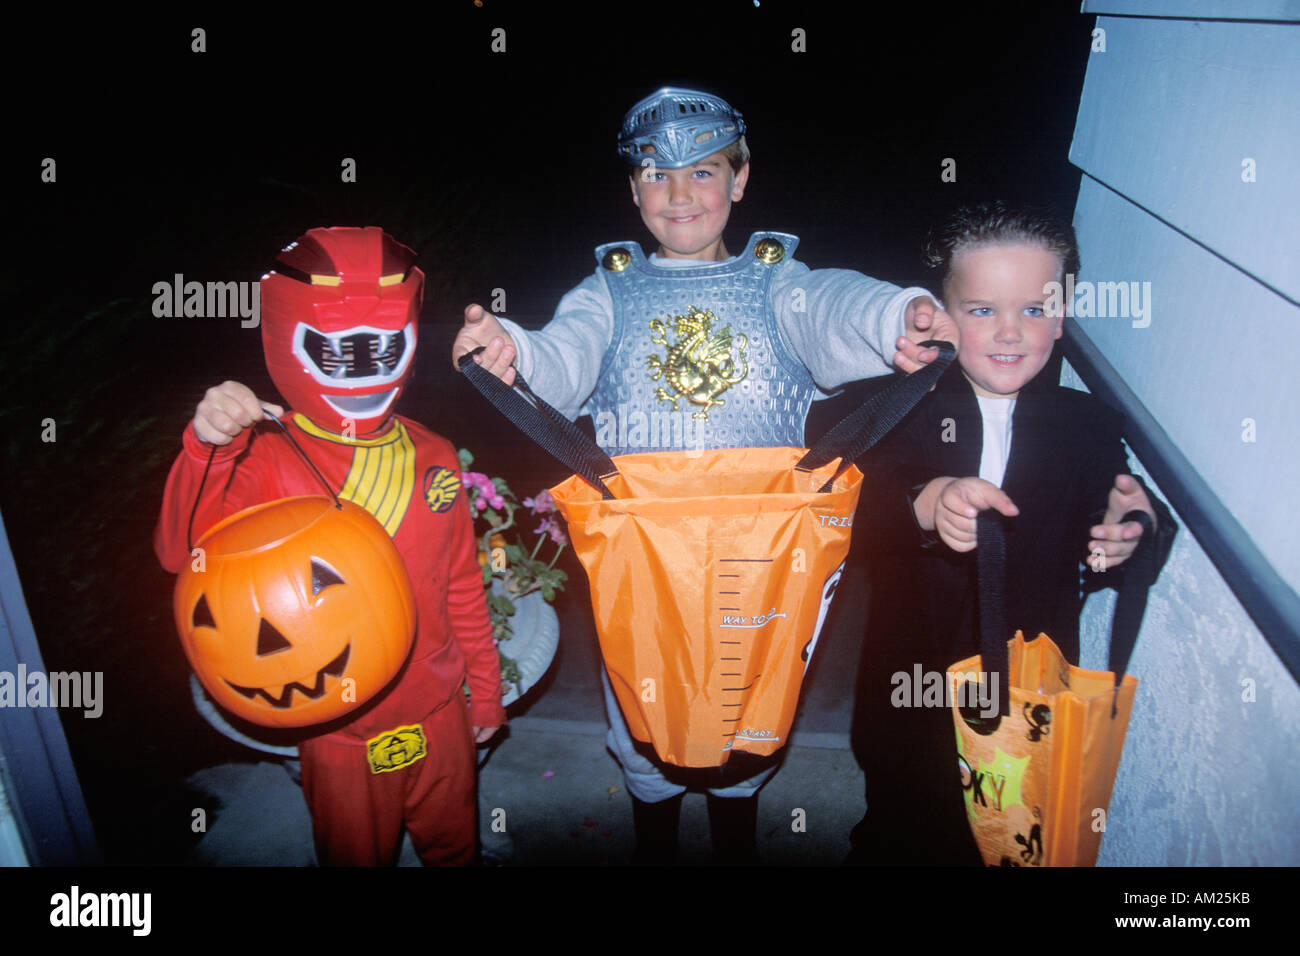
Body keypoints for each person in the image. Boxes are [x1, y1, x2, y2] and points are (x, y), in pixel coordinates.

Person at [451, 86, 956, 864]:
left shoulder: (776, 281)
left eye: (704, 171)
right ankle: (654, 839)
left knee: (749, 721)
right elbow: (562, 354)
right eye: (655, 174)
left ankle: (735, 838)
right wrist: (513, 353)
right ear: (632, 189)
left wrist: (896, 315)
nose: (679, 193)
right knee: (642, 726)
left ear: (741, 178)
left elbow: (830, 307)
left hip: (764, 563)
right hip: (646, 565)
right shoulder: (609, 292)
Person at [155, 226, 505, 866]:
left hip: (439, 714)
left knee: (456, 846)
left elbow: (460, 582)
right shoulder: (261, 456)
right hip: (337, 732)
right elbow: (184, 555)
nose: (364, 365)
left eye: (382, 347)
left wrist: (484, 691)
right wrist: (208, 446)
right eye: (340, 350)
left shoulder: (432, 454)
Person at [845, 201, 1176, 865]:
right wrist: (928, 500)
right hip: (915, 679)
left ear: (1062, 312)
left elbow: (1118, 505)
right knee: (906, 822)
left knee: (1010, 829)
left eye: (1034, 308)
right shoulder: (901, 406)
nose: (1010, 331)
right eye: (981, 309)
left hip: (1030, 679)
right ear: (941, 313)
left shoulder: (1086, 423)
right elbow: (855, 509)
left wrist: (1130, 527)